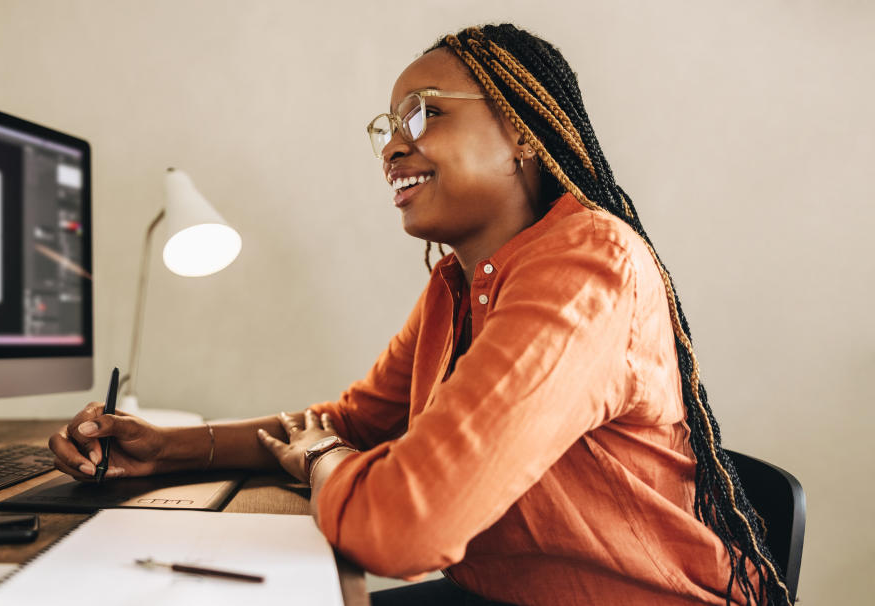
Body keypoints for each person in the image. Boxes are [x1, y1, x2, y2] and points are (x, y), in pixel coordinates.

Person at [49, 24, 791, 606]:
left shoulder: (586, 263)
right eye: (387, 126)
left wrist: (319, 464)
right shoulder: (453, 284)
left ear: (525, 131)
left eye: (425, 114)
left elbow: (404, 526)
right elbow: (354, 421)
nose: (393, 145)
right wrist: (169, 448)